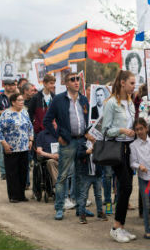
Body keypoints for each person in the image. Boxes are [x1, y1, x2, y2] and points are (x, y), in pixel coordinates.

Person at [43, 72, 92, 220]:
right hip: (67, 141)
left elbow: (88, 119)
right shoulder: (58, 100)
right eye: (73, 80)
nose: (76, 82)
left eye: (78, 79)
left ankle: (80, 208)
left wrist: (88, 134)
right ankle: (59, 207)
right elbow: (47, 121)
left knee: (80, 176)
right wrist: (58, 136)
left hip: (82, 141)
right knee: (63, 176)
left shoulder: (83, 100)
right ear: (66, 83)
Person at [102, 70, 137, 243]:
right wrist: (122, 130)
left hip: (130, 147)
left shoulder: (131, 102)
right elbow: (105, 130)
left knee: (127, 187)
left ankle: (120, 226)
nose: (134, 86)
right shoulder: (111, 104)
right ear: (122, 83)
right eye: (131, 83)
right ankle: (116, 226)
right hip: (117, 147)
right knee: (126, 186)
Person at [0, 93, 34, 203]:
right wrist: (4, 143)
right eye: (19, 100)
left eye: (22, 100)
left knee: (23, 172)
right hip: (11, 148)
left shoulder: (25, 112)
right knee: (12, 173)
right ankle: (13, 196)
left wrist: (31, 140)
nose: (22, 102)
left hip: (24, 147)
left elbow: (30, 127)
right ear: (13, 102)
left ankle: (21, 195)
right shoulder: (7, 114)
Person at [76, 138, 107, 224]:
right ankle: (82, 214)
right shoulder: (83, 143)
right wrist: (86, 152)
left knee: (98, 195)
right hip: (86, 174)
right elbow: (78, 155)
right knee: (84, 195)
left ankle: (100, 212)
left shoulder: (99, 143)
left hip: (97, 174)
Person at [0, 79, 17, 179]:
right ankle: (3, 172)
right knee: (2, 150)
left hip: (15, 127)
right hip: (3, 127)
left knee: (15, 150)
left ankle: (13, 171)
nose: (11, 87)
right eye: (9, 85)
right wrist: (4, 111)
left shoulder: (16, 97)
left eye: (12, 85)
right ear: (5, 86)